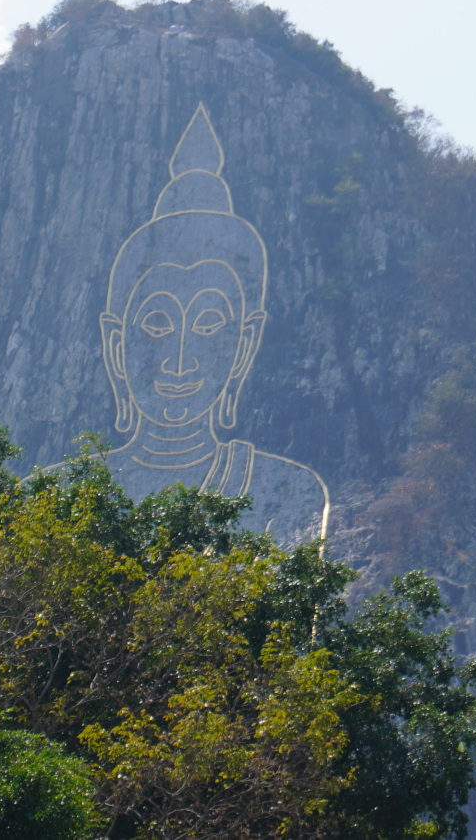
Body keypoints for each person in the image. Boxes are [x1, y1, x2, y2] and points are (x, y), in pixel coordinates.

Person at [99, 104, 329, 543]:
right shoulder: (62, 495)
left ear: (245, 345)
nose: (179, 361)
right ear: (115, 344)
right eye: (156, 325)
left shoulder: (288, 494)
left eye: (207, 326)